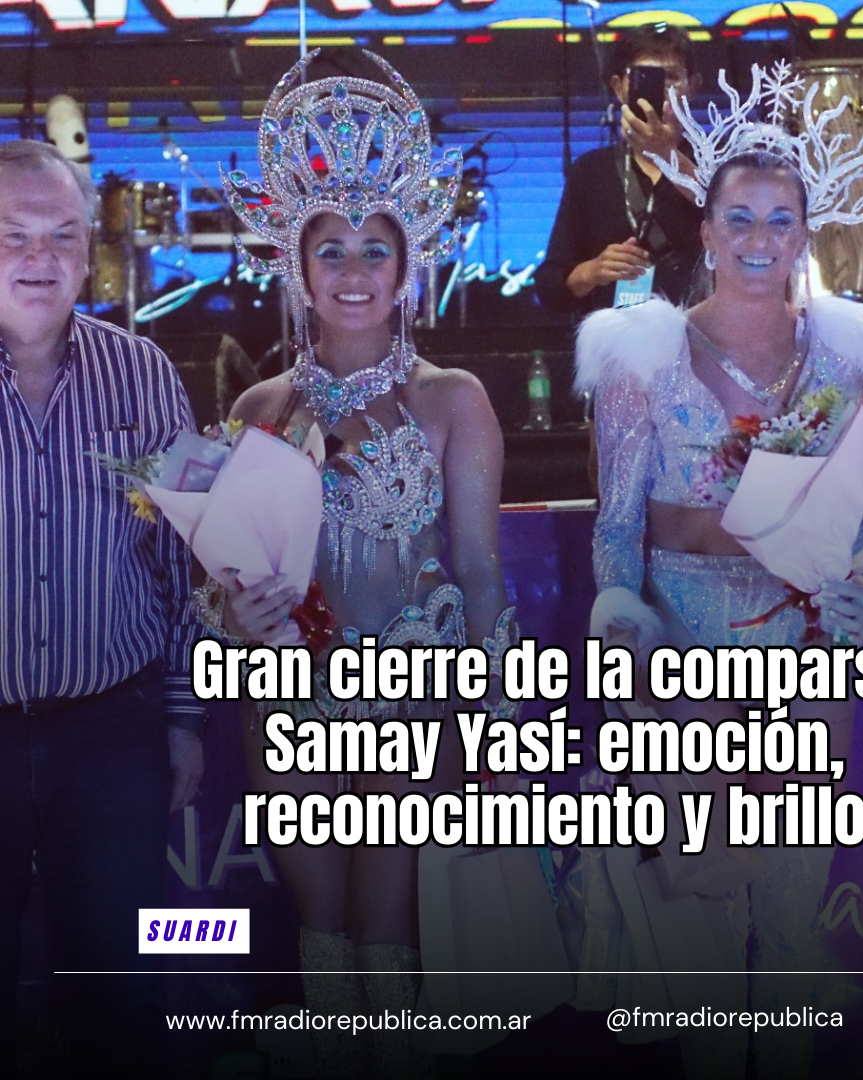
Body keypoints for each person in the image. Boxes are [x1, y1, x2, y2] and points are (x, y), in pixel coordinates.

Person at [574, 63, 863, 1078]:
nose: (760, 239)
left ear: (804, 236)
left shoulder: (846, 360)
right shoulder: (642, 358)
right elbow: (616, 533)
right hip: (682, 654)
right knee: (699, 925)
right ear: (708, 231)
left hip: (805, 654)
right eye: (740, 219)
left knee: (791, 917)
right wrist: (624, 620)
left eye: (780, 221)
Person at [200, 52, 517, 1080]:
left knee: (388, 927)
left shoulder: (452, 400)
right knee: (322, 931)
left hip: (409, 694)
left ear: (406, 268)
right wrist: (232, 617)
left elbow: (480, 571)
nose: (352, 270)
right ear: (297, 268)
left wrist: (494, 718)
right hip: (291, 703)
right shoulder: (258, 410)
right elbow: (229, 582)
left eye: (374, 249)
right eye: (329, 247)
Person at [0, 139, 204, 1077]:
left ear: (90, 251)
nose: (37, 257)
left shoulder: (144, 374)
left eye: (60, 235)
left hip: (113, 736)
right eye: (12, 235)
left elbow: (181, 558)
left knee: (118, 997)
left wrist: (183, 717)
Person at [534, 21, 704, 315]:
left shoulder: (719, 164)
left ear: (693, 86)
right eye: (645, 78)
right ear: (618, 87)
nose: (661, 89)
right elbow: (549, 287)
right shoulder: (591, 171)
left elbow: (723, 211)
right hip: (617, 333)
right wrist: (592, 272)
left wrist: (666, 154)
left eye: (672, 77)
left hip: (701, 332)